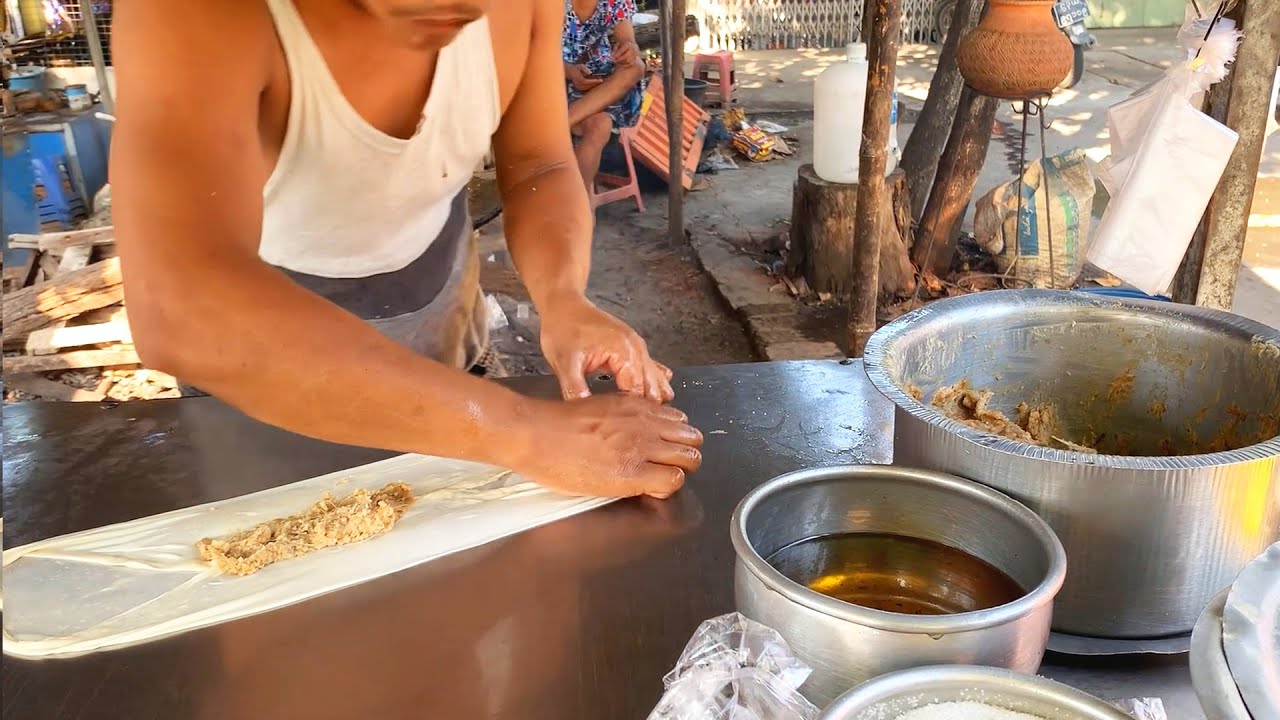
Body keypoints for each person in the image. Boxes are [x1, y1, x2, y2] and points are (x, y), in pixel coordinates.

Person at [110, 0, 702, 499]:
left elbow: (540, 165)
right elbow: (181, 304)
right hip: (260, 361)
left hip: (440, 306)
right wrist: (525, 434)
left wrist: (564, 298)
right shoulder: (197, 13)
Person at [562, 0, 646, 188]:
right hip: (553, 80)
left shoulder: (613, 2)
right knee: (600, 125)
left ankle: (562, 124)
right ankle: (578, 209)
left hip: (601, 86)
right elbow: (530, 52)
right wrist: (568, 71)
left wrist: (629, 49)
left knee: (636, 67)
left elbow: (628, 40)